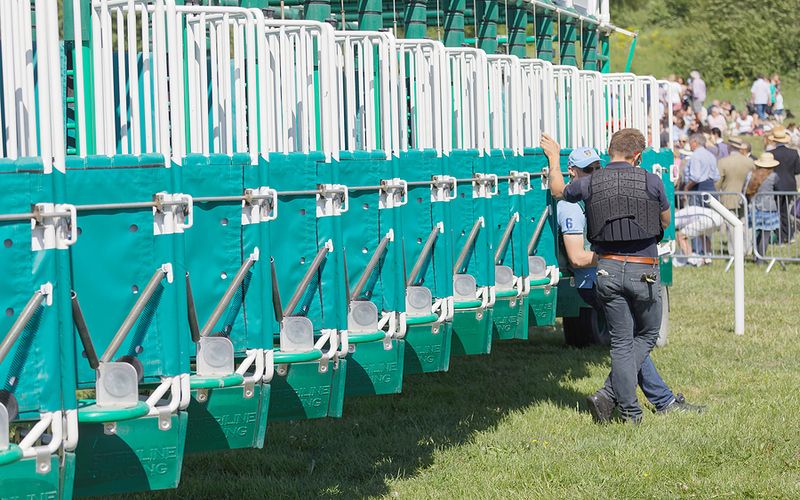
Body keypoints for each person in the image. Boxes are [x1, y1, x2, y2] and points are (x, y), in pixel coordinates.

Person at [556, 147, 703, 417]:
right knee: (634, 341)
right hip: (597, 280)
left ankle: (624, 399)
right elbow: (577, 257)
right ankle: (651, 402)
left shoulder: (589, 193)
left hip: (607, 274)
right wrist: (616, 257)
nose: (595, 174)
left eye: (597, 168)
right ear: (573, 173)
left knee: (631, 341)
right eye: (589, 170)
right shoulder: (570, 206)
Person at [543, 128, 673, 424]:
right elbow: (665, 219)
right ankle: (608, 395)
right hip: (643, 269)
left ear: (609, 150)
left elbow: (558, 191)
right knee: (647, 335)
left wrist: (553, 157)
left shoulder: (588, 183)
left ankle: (628, 412)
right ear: (637, 156)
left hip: (606, 270)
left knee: (621, 343)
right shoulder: (652, 181)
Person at [764, 126, 800, 242]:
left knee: (778, 212)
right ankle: (790, 235)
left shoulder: (770, 153)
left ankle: (781, 235)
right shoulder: (793, 153)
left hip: (775, 186)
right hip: (790, 186)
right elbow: (797, 170)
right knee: (788, 212)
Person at [743, 153, 781, 259]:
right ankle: (761, 257)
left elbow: (745, 190)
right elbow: (778, 190)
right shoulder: (774, 176)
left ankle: (756, 255)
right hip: (769, 209)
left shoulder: (751, 174)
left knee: (756, 232)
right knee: (766, 233)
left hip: (754, 207)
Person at [716, 139, 755, 216]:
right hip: (744, 199)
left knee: (727, 224)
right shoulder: (750, 162)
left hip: (727, 199)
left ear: (729, 147)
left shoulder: (722, 162)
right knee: (743, 224)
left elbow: (717, 183)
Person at [684, 133, 720, 202]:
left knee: (697, 212)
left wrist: (686, 188)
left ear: (695, 142)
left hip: (698, 189)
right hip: (711, 188)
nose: (689, 145)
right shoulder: (710, 155)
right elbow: (716, 176)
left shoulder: (696, 155)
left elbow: (695, 177)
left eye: (690, 143)